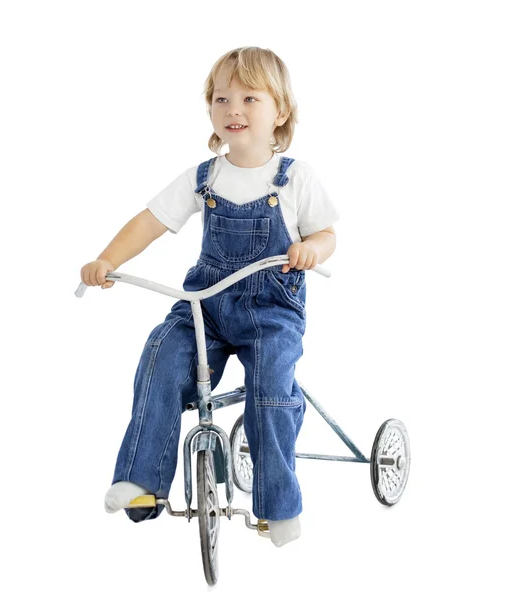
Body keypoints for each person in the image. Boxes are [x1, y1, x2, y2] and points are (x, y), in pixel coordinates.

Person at [80, 46, 339, 547]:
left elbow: (327, 234)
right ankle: (141, 482)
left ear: (280, 111)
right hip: (207, 307)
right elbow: (150, 222)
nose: (233, 110)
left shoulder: (295, 178)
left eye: (249, 98)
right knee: (159, 359)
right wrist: (108, 259)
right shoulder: (205, 178)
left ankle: (279, 507)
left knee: (271, 389)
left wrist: (311, 248)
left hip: (271, 311)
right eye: (221, 99)